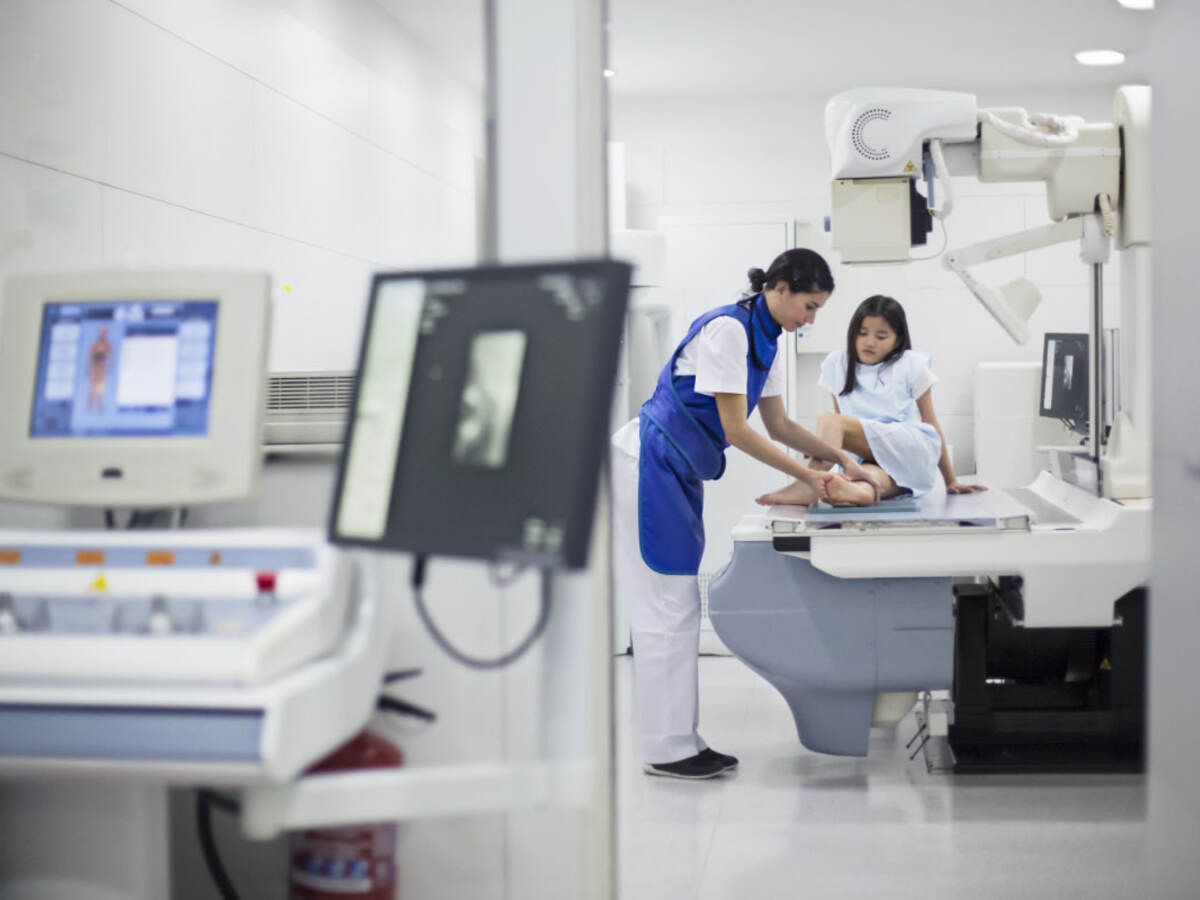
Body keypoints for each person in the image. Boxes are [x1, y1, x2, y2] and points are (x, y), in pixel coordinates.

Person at [610, 248, 876, 780]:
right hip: (650, 461)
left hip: (678, 467)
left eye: (819, 308)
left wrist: (845, 457)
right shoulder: (729, 331)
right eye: (808, 304)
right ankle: (667, 748)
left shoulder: (767, 340)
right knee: (668, 604)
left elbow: (778, 426)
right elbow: (737, 430)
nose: (811, 318)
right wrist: (810, 478)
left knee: (677, 604)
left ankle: (681, 740)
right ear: (779, 288)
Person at [757, 294, 987, 508]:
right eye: (862, 333)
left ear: (897, 340)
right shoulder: (838, 365)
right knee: (864, 485)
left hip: (909, 448)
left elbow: (931, 425)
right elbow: (843, 435)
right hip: (872, 458)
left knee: (830, 421)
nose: (869, 342)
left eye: (881, 336)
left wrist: (950, 480)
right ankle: (852, 492)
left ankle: (809, 485)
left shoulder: (911, 364)